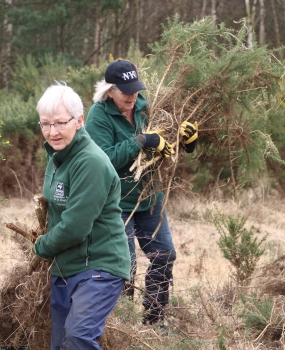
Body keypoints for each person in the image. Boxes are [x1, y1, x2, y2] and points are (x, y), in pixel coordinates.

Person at [85, 60, 198, 326]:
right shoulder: (97, 116)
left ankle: (154, 321)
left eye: (135, 89)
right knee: (124, 267)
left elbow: (168, 147)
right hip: (115, 205)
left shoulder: (148, 109)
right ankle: (120, 326)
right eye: (125, 91)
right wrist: (142, 140)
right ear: (110, 90)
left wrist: (186, 141)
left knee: (164, 255)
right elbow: (103, 161)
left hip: (150, 199)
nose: (132, 96)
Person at [33, 82, 131, 350]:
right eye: (45, 124)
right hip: (66, 266)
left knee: (77, 339)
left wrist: (41, 247)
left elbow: (75, 227)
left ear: (79, 121)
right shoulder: (57, 157)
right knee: (59, 344)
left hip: (99, 265)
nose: (52, 132)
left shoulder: (91, 162)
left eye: (60, 123)